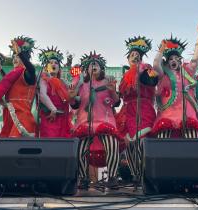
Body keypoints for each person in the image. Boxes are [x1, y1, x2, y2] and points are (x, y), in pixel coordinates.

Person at [70, 51, 121, 189]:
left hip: (105, 120)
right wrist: (72, 95)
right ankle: (83, 178)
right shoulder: (81, 84)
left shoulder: (107, 81)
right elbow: (74, 103)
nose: (94, 65)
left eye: (97, 64)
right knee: (80, 150)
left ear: (101, 68)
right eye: (91, 64)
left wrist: (112, 91)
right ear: (86, 69)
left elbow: (116, 102)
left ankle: (112, 177)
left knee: (112, 145)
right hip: (85, 121)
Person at [151, 24, 198, 138]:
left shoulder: (186, 71)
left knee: (192, 141)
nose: (174, 61)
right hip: (167, 115)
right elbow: (156, 63)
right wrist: (161, 48)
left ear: (180, 60)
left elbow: (195, 60)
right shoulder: (163, 74)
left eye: (176, 58)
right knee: (163, 143)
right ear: (167, 61)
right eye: (171, 59)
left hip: (187, 115)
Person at [117, 36, 158, 183]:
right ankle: (134, 174)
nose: (135, 57)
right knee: (128, 144)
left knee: (142, 142)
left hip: (143, 109)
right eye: (132, 55)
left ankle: (144, 174)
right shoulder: (125, 76)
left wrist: (147, 74)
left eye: (137, 55)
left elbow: (152, 80)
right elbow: (118, 98)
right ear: (128, 59)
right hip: (127, 111)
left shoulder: (145, 69)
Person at [0, 36, 37, 137]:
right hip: (11, 119)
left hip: (23, 122)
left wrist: (20, 53)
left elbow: (32, 70)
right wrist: (0, 70)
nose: (14, 59)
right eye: (14, 57)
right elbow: (10, 84)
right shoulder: (16, 74)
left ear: (25, 58)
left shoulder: (27, 73)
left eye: (17, 57)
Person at [38, 46, 72, 137]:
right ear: (46, 67)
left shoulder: (64, 83)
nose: (53, 64)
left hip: (64, 119)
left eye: (56, 63)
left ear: (59, 68)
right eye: (50, 62)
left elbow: (70, 99)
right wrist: (53, 108)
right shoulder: (43, 79)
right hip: (50, 117)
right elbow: (42, 95)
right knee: (51, 144)